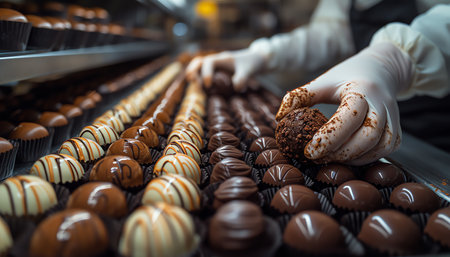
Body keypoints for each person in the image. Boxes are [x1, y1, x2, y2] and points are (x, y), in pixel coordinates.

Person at [186, 0, 450, 165]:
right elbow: (329, 33)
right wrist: (263, 54)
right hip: (362, 111)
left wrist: (395, 59)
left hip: (436, 127)